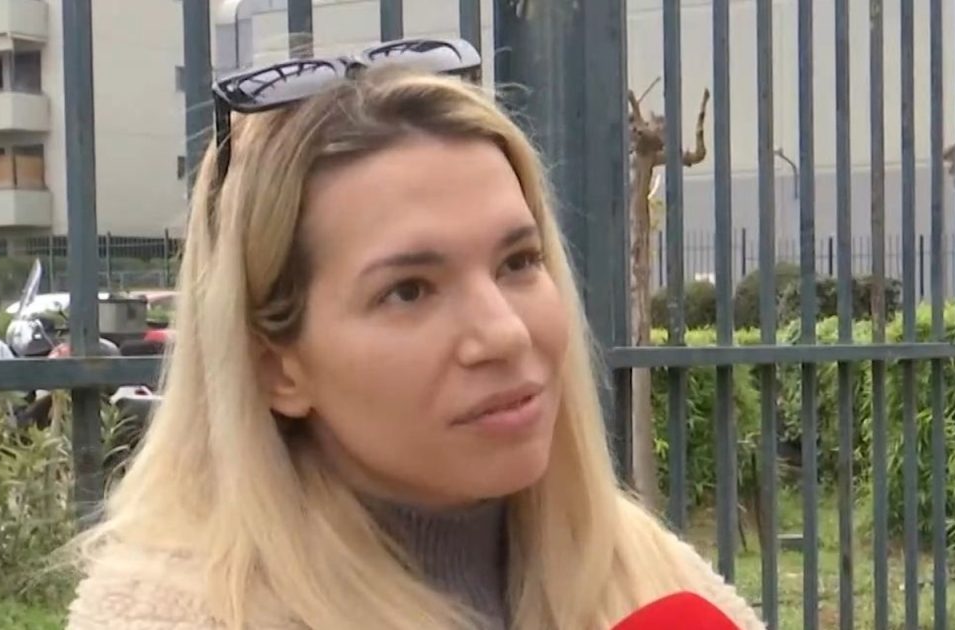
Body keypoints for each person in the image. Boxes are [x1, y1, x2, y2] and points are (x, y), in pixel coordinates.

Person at [66, 38, 764, 630]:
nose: (504, 333)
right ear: (276, 366)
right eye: (409, 291)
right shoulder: (174, 613)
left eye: (519, 262)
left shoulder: (648, 578)